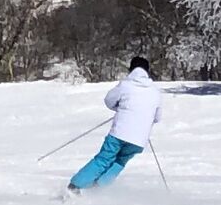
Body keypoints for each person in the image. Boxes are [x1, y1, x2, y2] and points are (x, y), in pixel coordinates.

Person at [67, 57, 163, 193]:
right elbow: (157, 118)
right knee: (119, 162)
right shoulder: (155, 92)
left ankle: (75, 186)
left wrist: (120, 108)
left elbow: (109, 100)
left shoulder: (126, 85)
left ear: (131, 69)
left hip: (119, 133)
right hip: (139, 139)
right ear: (147, 71)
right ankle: (97, 189)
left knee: (103, 159)